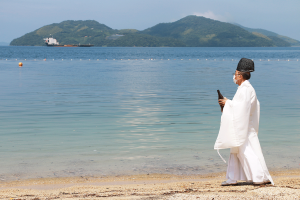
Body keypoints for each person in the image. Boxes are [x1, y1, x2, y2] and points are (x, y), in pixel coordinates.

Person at [215, 58, 274, 186]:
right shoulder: (244, 88)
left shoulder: (246, 89)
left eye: (235, 74)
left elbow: (241, 108)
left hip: (244, 127)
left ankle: (258, 177)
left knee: (245, 152)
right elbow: (239, 106)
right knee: (236, 152)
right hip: (243, 126)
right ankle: (232, 178)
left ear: (240, 75)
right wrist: (228, 103)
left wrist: (227, 103)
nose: (234, 76)